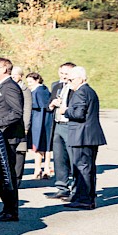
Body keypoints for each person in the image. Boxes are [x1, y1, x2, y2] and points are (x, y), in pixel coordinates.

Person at [0, 58, 25, 222]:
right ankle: (6, 208)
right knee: (2, 174)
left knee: (8, 175)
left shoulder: (10, 87)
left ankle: (12, 211)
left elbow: (17, 112)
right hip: (0, 136)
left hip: (9, 137)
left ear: (4, 69)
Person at [60, 67, 106, 209]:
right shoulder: (89, 91)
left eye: (71, 79)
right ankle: (86, 197)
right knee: (88, 168)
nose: (69, 83)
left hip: (82, 136)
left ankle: (84, 199)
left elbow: (79, 114)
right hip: (89, 135)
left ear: (80, 79)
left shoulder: (81, 92)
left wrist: (65, 111)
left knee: (82, 168)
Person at [46, 63, 76, 200]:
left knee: (72, 158)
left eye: (67, 74)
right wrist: (52, 104)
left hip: (70, 125)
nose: (64, 76)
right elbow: (48, 105)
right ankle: (62, 187)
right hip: (57, 124)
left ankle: (76, 189)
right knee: (58, 157)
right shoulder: (56, 86)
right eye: (62, 73)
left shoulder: (76, 88)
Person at [25, 72, 53, 180]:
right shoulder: (41, 90)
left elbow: (42, 107)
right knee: (41, 146)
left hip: (39, 121)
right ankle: (41, 168)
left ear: (37, 80)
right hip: (39, 120)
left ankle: (41, 169)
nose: (29, 84)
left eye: (31, 82)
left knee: (40, 145)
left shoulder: (39, 91)